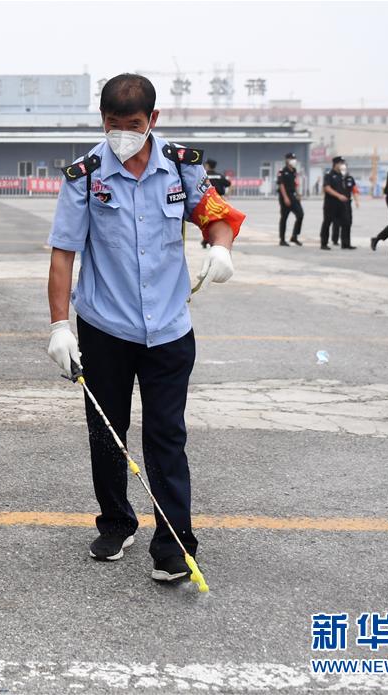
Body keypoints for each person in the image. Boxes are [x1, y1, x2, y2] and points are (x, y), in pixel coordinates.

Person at [46, 74, 244, 583]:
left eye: (132, 126)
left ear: (153, 120)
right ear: (103, 121)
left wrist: (220, 247)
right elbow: (64, 254)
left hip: (170, 329)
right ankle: (116, 521)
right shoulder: (85, 174)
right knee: (106, 432)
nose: (122, 136)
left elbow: (216, 216)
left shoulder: (181, 166)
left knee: (166, 437)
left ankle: (174, 545)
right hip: (104, 328)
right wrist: (58, 326)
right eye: (113, 126)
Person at [319, 156, 349, 250]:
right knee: (327, 223)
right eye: (341, 163)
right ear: (335, 164)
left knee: (346, 222)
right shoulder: (329, 174)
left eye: (343, 163)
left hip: (341, 204)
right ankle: (324, 243)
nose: (342, 165)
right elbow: (327, 188)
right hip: (331, 203)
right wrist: (339, 196)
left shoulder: (342, 175)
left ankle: (345, 243)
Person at [201, 159, 232, 248]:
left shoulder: (204, 176)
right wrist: (227, 196)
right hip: (219, 201)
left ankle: (206, 239)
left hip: (208, 201)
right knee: (218, 221)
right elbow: (230, 184)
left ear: (207, 165)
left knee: (207, 221)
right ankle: (216, 240)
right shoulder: (219, 176)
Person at [277, 152, 303, 246]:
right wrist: (285, 198)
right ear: (287, 160)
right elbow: (281, 185)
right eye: (291, 158)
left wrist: (298, 194)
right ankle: (282, 239)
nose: (293, 160)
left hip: (293, 195)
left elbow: (295, 183)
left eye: (294, 158)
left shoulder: (294, 170)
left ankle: (294, 236)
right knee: (284, 217)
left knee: (300, 214)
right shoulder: (282, 171)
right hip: (285, 196)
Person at [333, 163, 359, 249]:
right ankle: (336, 239)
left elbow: (354, 190)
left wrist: (356, 201)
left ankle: (346, 243)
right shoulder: (336, 178)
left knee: (348, 222)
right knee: (337, 222)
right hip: (337, 203)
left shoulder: (350, 178)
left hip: (347, 203)